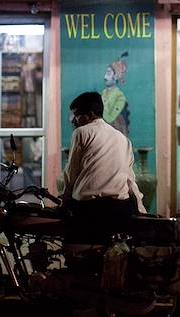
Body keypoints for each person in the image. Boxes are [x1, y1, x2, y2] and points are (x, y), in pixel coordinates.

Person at [63, 91, 146, 244]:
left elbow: (71, 173)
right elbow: (130, 180)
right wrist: (141, 210)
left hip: (88, 209)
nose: (73, 120)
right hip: (120, 210)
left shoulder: (81, 133)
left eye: (76, 115)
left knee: (72, 248)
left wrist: (64, 202)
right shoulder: (123, 139)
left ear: (90, 114)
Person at [101, 51, 130, 137]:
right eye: (106, 73)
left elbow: (110, 118)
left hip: (115, 135)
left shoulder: (120, 96)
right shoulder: (103, 93)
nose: (105, 77)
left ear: (116, 77)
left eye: (109, 73)